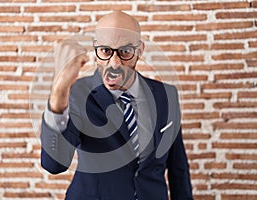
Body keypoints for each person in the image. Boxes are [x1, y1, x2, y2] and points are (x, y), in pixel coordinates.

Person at [40, 11, 193, 200]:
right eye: (105, 51)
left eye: (125, 51)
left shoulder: (166, 94)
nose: (114, 63)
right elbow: (54, 165)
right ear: (95, 51)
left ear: (140, 50)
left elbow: (178, 166)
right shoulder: (77, 93)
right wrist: (58, 92)